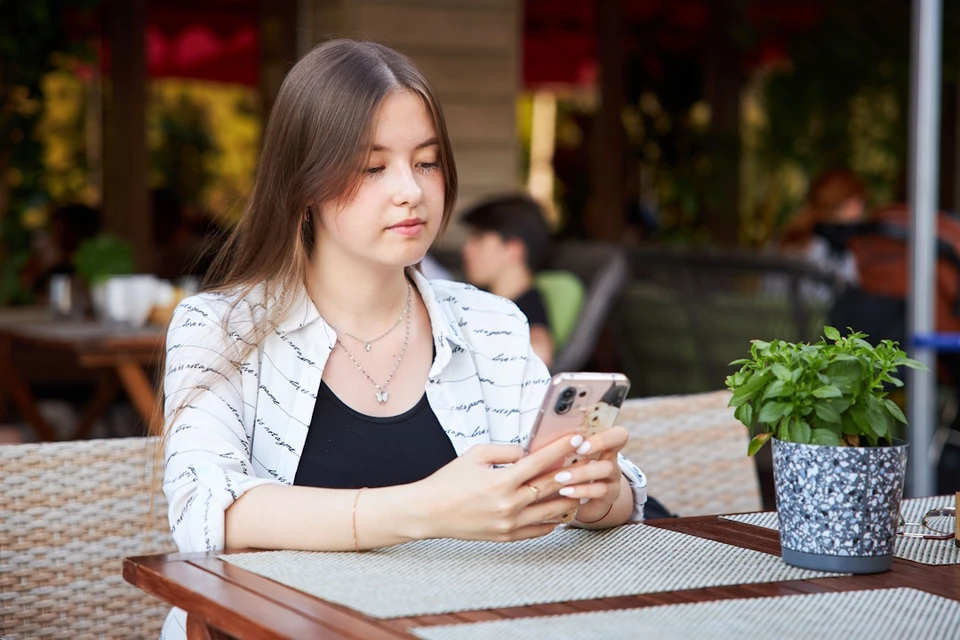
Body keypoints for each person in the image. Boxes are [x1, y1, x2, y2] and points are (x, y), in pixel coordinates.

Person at [158, 40, 647, 639]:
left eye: (426, 161)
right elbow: (205, 513)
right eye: (372, 167)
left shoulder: (489, 324)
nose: (411, 190)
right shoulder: (218, 329)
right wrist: (430, 508)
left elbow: (606, 497)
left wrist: (598, 493)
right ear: (305, 182)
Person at [460, 194, 555, 366]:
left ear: (513, 249)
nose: (467, 249)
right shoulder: (484, 300)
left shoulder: (526, 307)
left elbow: (541, 352)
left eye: (478, 238)